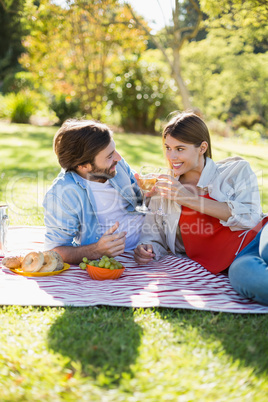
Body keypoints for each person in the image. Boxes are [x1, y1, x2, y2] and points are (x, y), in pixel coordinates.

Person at [134, 111, 268, 305]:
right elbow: (154, 238)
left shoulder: (236, 170)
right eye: (168, 148)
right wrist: (146, 249)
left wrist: (188, 198)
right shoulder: (163, 189)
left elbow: (249, 218)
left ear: (202, 147)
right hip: (238, 262)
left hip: (261, 235)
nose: (172, 156)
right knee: (246, 278)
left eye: (180, 149)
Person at [43, 119, 144, 265]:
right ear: (83, 166)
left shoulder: (116, 165)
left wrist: (147, 194)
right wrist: (96, 250)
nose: (119, 158)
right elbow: (53, 251)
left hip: (152, 244)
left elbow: (139, 199)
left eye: (114, 150)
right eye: (109, 156)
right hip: (119, 262)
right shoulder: (63, 193)